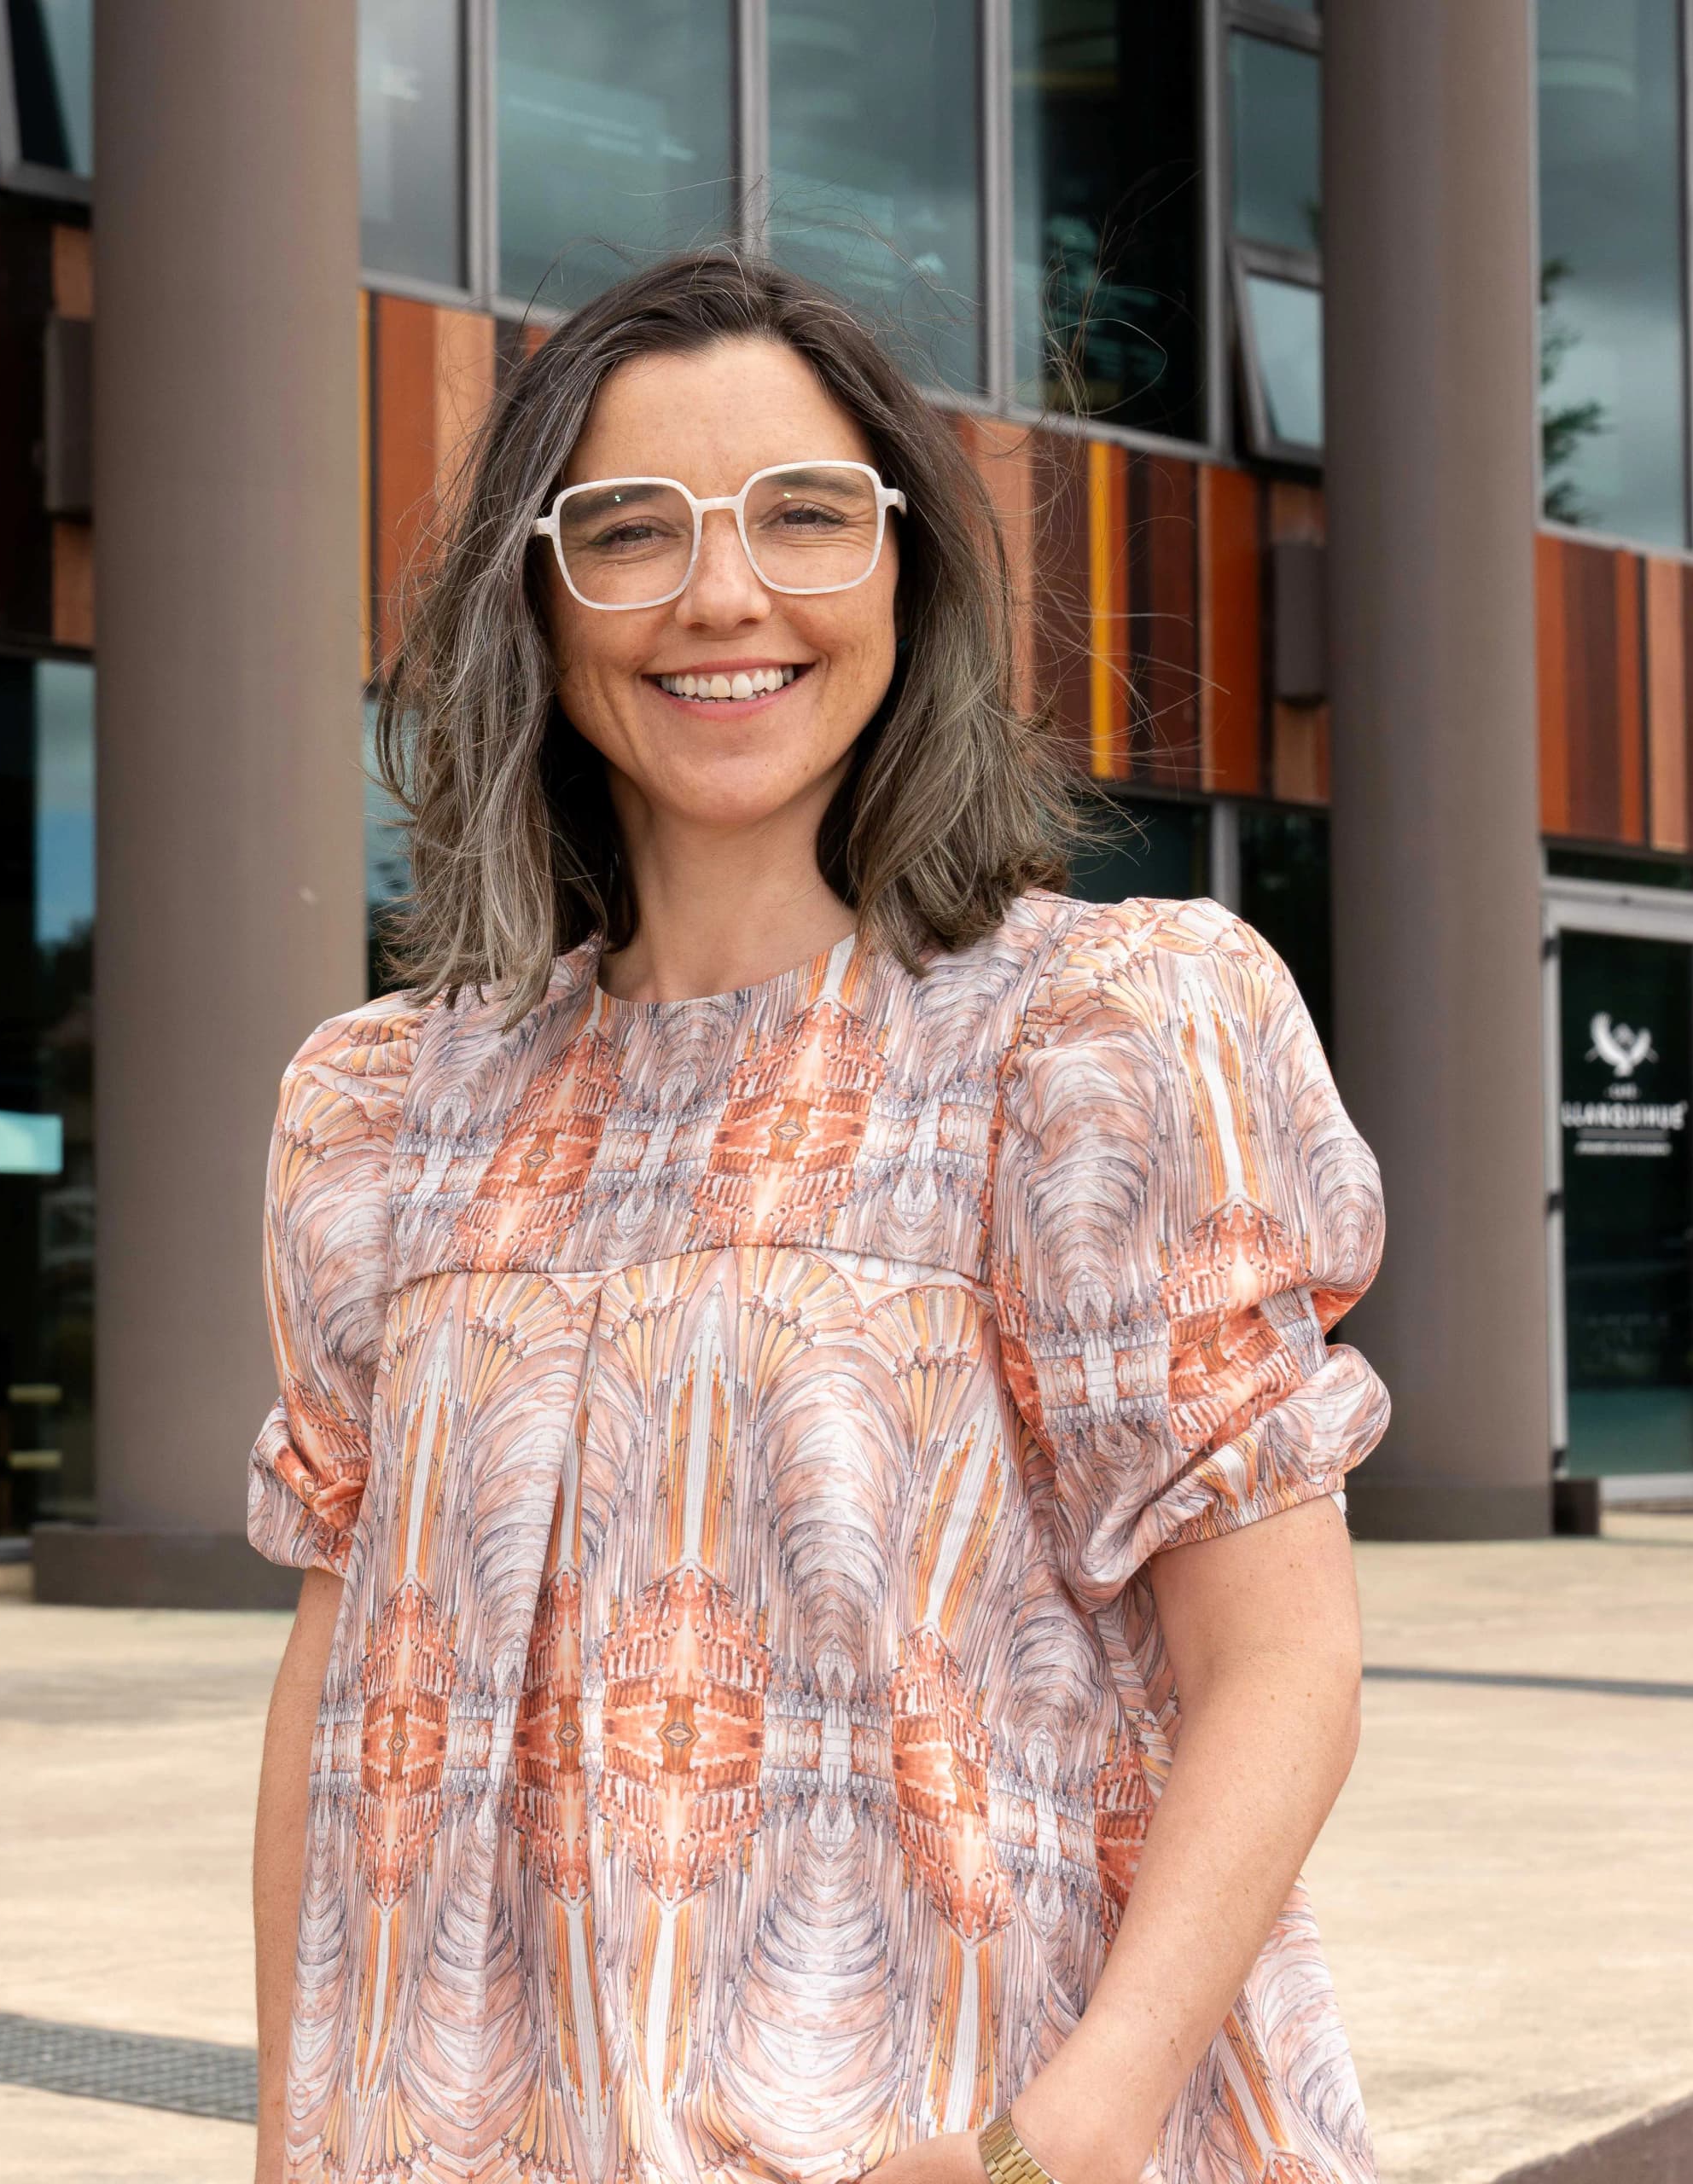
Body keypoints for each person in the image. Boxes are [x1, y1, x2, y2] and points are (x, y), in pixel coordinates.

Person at [245, 250, 1389, 2184]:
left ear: (906, 571)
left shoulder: (1094, 1037)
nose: (722, 595)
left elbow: (1283, 1660)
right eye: (630, 529)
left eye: (804, 516)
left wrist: (1057, 2137)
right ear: (535, 596)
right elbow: (345, 1685)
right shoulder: (380, 1110)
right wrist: (290, 2134)